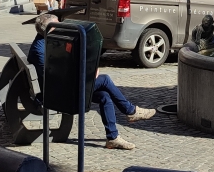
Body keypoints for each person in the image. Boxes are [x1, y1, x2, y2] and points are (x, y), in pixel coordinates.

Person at [27, 13, 155, 151]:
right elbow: (56, 78)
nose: (62, 27)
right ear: (50, 29)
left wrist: (89, 70)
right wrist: (88, 75)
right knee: (105, 80)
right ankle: (130, 111)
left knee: (104, 97)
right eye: (58, 24)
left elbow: (62, 67)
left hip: (63, 87)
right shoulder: (40, 50)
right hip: (60, 94)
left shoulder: (46, 41)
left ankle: (112, 138)